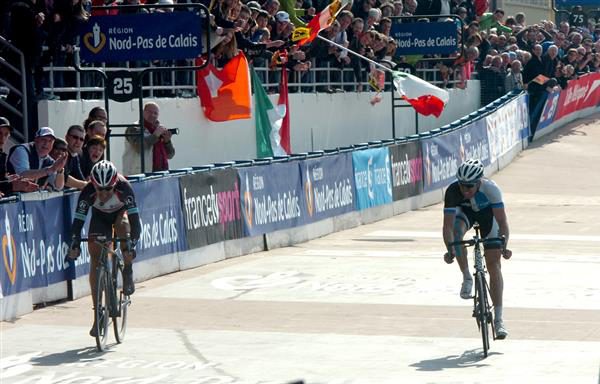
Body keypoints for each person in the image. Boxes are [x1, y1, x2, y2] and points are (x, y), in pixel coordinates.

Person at [68, 160, 141, 336]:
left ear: (115, 183)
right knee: (95, 258)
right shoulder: (88, 192)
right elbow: (77, 223)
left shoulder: (125, 188)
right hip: (99, 218)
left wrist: (132, 243)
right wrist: (75, 243)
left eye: (108, 189)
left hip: (119, 214)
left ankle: (128, 270)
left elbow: (135, 222)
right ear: (93, 184)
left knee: (123, 226)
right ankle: (97, 314)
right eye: (99, 189)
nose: (103, 193)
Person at [442, 159, 512, 339]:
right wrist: (450, 248)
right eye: (462, 185)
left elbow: (503, 222)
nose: (465, 190)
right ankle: (467, 277)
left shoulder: (491, 190)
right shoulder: (452, 191)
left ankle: (498, 319)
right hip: (465, 214)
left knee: (494, 265)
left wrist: (504, 245)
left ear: (479, 182)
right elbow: (448, 227)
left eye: (469, 186)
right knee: (457, 235)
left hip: (488, 217)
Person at [122, 102, 175, 175]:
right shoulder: (134, 128)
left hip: (160, 174)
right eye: (150, 112)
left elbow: (170, 155)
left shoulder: (158, 129)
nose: (152, 115)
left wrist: (167, 142)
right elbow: (139, 147)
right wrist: (155, 135)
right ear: (143, 112)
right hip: (138, 175)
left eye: (155, 113)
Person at [0, 117, 38, 196]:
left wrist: (9, 180)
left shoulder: (2, 155)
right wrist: (14, 185)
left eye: (6, 134)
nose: (2, 138)